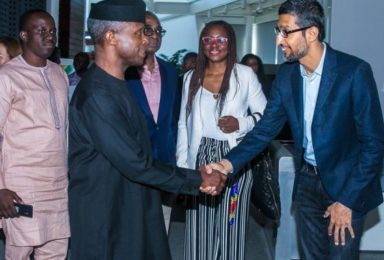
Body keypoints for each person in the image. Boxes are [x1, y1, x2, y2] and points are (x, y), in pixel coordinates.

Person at [212, 1, 384, 259]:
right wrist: (227, 164)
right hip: (306, 183)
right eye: (277, 32)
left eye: (285, 31)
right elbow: (264, 130)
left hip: (346, 185)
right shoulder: (286, 75)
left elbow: (373, 144)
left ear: (311, 33)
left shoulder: (354, 72)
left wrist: (347, 200)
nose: (279, 41)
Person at [68, 1, 225, 259]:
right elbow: (135, 163)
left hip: (131, 203)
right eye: (138, 32)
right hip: (107, 214)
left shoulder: (118, 83)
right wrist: (198, 179)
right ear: (111, 37)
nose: (146, 40)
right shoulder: (97, 94)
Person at [176, 20, 267, 260]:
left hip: (235, 160)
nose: (214, 45)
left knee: (231, 227)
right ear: (201, 43)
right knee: (199, 227)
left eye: (221, 40)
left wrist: (241, 123)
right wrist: (184, 167)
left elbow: (267, 118)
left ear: (231, 43)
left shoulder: (244, 75)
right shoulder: (189, 78)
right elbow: (183, 124)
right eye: (208, 39)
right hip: (201, 159)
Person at [0, 9, 70, 259]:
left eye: (52, 31)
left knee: (55, 253)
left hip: (57, 185)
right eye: (41, 30)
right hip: (21, 186)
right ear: (24, 35)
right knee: (19, 251)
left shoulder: (59, 73)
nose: (49, 36)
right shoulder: (7, 77)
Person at [126, 11, 178, 233]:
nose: (155, 35)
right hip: (131, 164)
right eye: (149, 30)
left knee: (161, 231)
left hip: (165, 164)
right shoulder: (123, 72)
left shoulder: (171, 71)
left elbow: (174, 119)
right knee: (132, 232)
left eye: (159, 31)